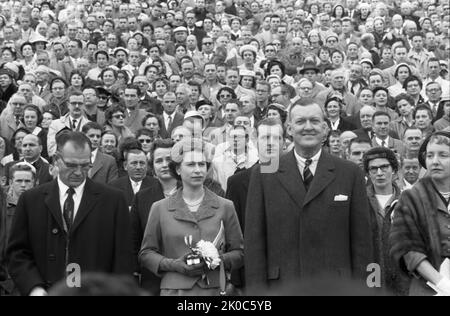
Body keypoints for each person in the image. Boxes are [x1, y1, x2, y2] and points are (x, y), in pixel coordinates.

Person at [245, 102, 373, 295]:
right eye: (300, 121)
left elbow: (362, 242)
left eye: (314, 120)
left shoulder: (350, 173)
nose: (308, 127)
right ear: (289, 128)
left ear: (325, 128)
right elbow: (254, 243)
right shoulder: (264, 173)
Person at [7, 131, 134, 296]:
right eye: (72, 165)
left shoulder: (113, 201)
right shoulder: (31, 200)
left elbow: (123, 259)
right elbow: (17, 253)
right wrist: (35, 289)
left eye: (86, 165)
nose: (79, 172)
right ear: (56, 160)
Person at [139, 138, 244, 296]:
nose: (198, 170)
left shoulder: (225, 206)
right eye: (191, 165)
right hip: (174, 290)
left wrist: (215, 260)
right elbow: (146, 254)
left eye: (202, 164)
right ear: (178, 169)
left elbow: (239, 253)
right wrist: (174, 265)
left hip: (214, 290)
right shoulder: (159, 208)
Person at [390, 131, 450, 296]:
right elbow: (409, 250)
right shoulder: (411, 199)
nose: (435, 161)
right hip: (428, 289)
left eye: (443, 155)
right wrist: (443, 284)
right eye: (430, 155)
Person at [131, 139, 178, 295]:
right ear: (152, 167)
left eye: (169, 159)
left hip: (188, 276)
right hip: (153, 278)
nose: (164, 164)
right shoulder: (142, 198)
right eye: (159, 161)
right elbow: (134, 240)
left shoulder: (193, 192)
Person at [363, 147, 406, 295]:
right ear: (368, 173)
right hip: (370, 273)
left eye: (384, 167)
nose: (379, 173)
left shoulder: (407, 201)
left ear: (394, 170)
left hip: (402, 276)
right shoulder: (359, 202)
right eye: (373, 169)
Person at [0, 162, 37, 296]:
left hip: (30, 278)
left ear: (34, 182)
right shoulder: (3, 208)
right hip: (5, 279)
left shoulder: (41, 209)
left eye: (27, 181)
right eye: (19, 181)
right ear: (11, 182)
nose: (23, 185)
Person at [47, 91, 91, 157]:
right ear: (68, 105)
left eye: (80, 103)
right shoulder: (56, 124)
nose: (77, 106)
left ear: (84, 105)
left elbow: (91, 148)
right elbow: (51, 149)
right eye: (73, 103)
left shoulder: (89, 125)